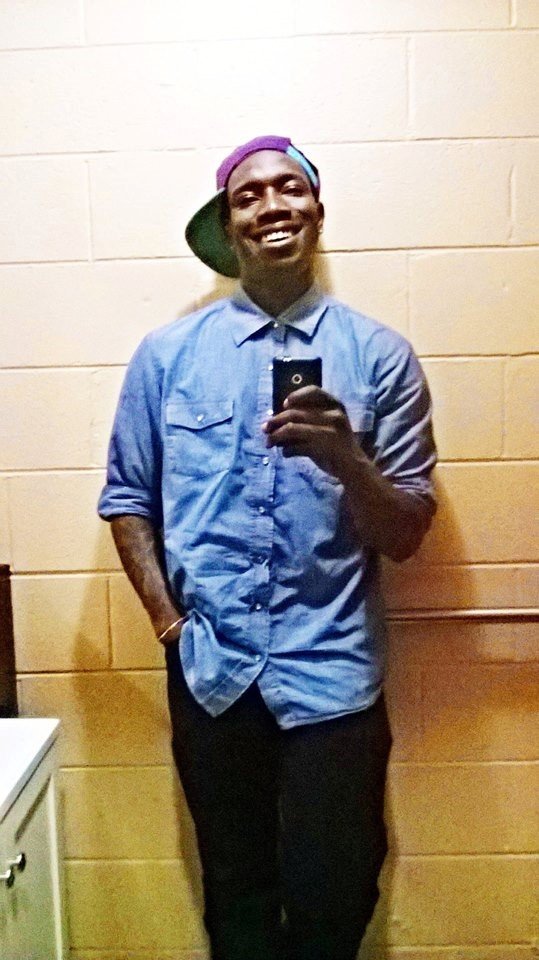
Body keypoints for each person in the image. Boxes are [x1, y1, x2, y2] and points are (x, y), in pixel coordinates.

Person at [98, 135, 437, 960]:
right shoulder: (166, 357)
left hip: (334, 675)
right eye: (247, 196)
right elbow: (127, 499)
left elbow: (405, 534)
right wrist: (169, 626)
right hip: (211, 672)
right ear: (228, 225)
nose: (271, 205)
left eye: (289, 187)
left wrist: (346, 459)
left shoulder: (380, 357)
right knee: (237, 896)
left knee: (338, 892)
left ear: (316, 209)